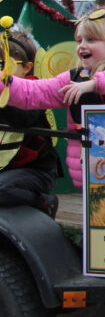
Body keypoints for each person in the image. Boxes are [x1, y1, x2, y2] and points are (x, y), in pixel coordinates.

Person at [0, 9, 105, 187]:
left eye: (91, 39)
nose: (82, 45)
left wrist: (95, 83)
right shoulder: (72, 79)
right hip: (92, 171)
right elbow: (33, 92)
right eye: (79, 40)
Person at [0, 32, 60, 216]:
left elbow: (21, 119)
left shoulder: (34, 91)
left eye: (6, 65)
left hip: (35, 171)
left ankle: (42, 202)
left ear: (27, 68)